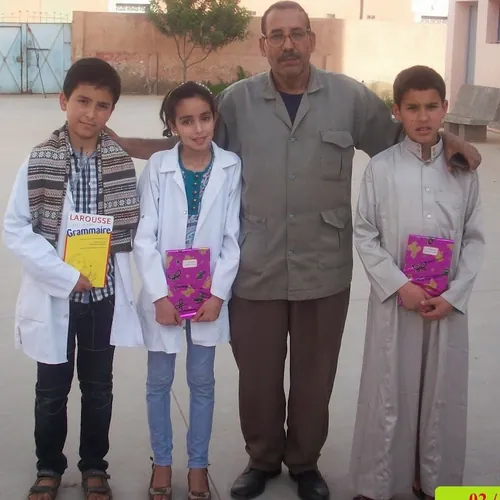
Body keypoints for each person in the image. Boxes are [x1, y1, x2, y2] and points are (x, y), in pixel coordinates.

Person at [107, 3, 482, 499]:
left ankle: (305, 463)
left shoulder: (348, 98)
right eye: (277, 35)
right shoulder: (236, 102)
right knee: (258, 379)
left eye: (297, 34)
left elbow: (403, 134)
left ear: (311, 40)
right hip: (255, 265)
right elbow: (190, 145)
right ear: (263, 44)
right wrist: (124, 145)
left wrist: (451, 140)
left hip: (324, 267)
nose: (288, 44)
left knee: (314, 378)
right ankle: (262, 459)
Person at [2, 58, 143, 500]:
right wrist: (64, 275)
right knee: (51, 391)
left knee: (99, 388)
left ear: (111, 110)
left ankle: (94, 467)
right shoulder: (39, 159)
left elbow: (135, 229)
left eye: (102, 105)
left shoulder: (119, 163)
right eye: (83, 101)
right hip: (56, 295)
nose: (90, 113)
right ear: (64, 101)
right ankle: (49, 467)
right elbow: (15, 227)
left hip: (103, 297)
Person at [349, 66, 485, 500]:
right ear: (397, 111)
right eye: (412, 108)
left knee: (440, 393)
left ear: (445, 108)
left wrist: (455, 294)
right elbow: (365, 233)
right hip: (397, 303)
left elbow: (475, 238)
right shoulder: (381, 169)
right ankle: (379, 482)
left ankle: (434, 482)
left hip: (445, 304)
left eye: (431, 107)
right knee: (390, 390)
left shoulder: (463, 170)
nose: (423, 117)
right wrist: (398, 284)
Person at [133, 81, 241, 500]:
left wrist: (218, 295)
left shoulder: (230, 166)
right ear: (172, 125)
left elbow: (232, 237)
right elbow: (144, 237)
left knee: (202, 382)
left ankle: (198, 465)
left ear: (215, 118)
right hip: (165, 295)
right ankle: (161, 462)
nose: (198, 129)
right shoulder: (159, 167)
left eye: (205, 118)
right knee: (159, 382)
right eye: (187, 121)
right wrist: (159, 297)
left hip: (207, 295)